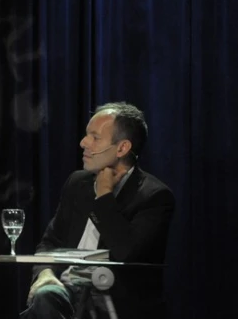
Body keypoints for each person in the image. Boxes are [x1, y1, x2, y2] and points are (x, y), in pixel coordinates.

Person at [22, 102, 175, 319]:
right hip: (65, 295)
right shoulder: (77, 183)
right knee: (46, 295)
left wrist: (104, 196)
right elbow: (51, 242)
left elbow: (126, 253)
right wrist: (45, 273)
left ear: (122, 148)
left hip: (113, 303)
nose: (83, 143)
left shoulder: (155, 197)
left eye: (95, 137)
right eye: (86, 135)